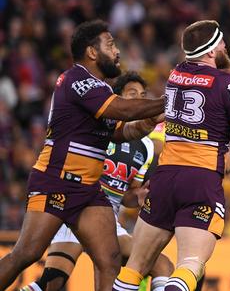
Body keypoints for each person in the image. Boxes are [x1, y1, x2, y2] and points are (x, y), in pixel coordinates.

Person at [112, 20, 230, 291]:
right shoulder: (226, 84)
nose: (225, 46)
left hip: (165, 178)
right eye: (221, 43)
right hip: (201, 179)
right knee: (191, 264)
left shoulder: (175, 74)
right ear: (210, 51)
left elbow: (224, 72)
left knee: (136, 266)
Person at [0, 20, 166, 291]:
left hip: (88, 189)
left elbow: (119, 132)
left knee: (109, 260)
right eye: (110, 44)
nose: (117, 51)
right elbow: (122, 111)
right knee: (26, 254)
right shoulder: (77, 79)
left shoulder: (99, 88)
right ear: (91, 52)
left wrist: (148, 122)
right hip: (57, 180)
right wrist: (168, 101)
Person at [20, 72, 174, 291]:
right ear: (117, 99)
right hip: (76, 205)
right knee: (52, 281)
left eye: (142, 94)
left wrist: (137, 196)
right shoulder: (100, 127)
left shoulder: (146, 147)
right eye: (132, 94)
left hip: (107, 219)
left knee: (162, 265)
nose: (140, 99)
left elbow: (127, 195)